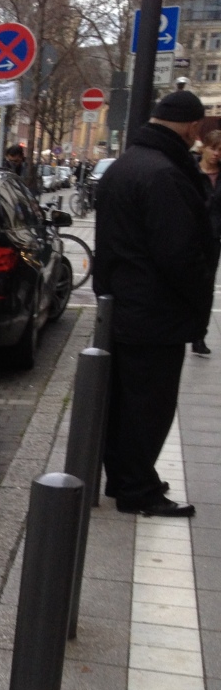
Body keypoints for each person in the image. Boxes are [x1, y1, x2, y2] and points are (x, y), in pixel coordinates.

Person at [93, 89, 216, 517]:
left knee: (126, 404)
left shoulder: (126, 165)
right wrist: (198, 300)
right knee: (149, 406)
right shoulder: (165, 173)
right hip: (156, 312)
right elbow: (179, 254)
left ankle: (127, 478)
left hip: (126, 305)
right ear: (191, 126)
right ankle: (137, 490)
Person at [195, 129, 221, 355]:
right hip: (190, 236)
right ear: (204, 147)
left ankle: (199, 336)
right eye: (213, 148)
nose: (216, 154)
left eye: (220, 151)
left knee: (206, 287)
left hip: (213, 239)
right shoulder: (190, 172)